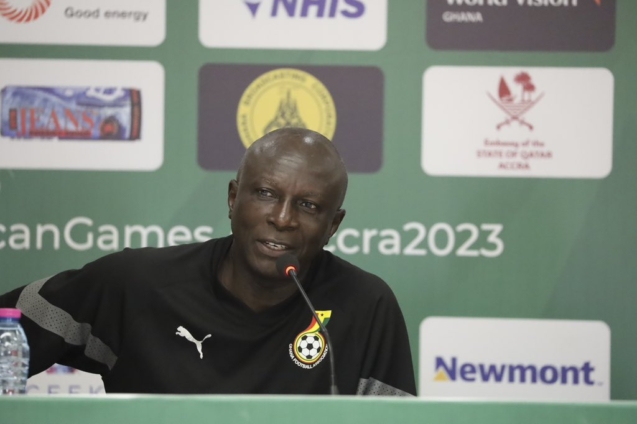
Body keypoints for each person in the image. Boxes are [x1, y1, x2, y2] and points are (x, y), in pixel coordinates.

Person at [0, 128, 416, 396]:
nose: (283, 218)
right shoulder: (139, 284)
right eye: (266, 194)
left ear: (333, 225)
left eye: (307, 205)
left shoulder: (365, 306)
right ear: (233, 199)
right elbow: (10, 331)